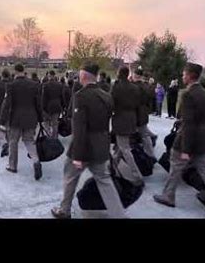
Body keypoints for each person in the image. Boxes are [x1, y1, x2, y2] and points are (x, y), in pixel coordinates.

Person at [51, 61, 127, 219]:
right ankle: (119, 215)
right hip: (101, 147)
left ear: (84, 76)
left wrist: (78, 155)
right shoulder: (106, 96)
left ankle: (64, 210)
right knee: (105, 181)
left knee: (70, 178)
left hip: (83, 148)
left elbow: (79, 128)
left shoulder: (81, 96)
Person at [153, 62, 205, 208]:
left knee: (175, 165)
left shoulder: (187, 94)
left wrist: (186, 149)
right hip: (203, 138)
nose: (182, 77)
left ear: (189, 76)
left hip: (187, 139)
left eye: (183, 74)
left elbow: (189, 123)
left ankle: (168, 196)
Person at [0, 64, 43, 180]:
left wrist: (2, 120)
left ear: (15, 71)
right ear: (24, 71)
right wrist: (40, 118)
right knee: (29, 141)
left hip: (15, 118)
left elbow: (7, 104)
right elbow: (38, 104)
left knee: (13, 142)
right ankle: (36, 161)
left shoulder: (11, 85)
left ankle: (13, 166)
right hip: (31, 117)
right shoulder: (34, 85)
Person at [111, 66, 144, 185]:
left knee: (124, 148)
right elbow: (138, 104)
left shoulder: (116, 87)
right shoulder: (135, 88)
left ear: (120, 74)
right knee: (121, 146)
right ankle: (111, 168)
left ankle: (137, 176)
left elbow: (112, 103)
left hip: (120, 119)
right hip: (132, 118)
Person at [132, 69, 155, 158]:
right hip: (143, 112)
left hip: (136, 112)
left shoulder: (134, 87)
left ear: (136, 75)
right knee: (144, 134)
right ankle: (150, 154)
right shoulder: (146, 86)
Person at [41, 70, 64, 139]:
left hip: (48, 106)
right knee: (55, 123)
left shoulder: (45, 85)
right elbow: (62, 97)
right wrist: (62, 106)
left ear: (49, 76)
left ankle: (49, 135)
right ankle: (55, 137)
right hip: (57, 105)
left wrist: (43, 107)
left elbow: (44, 98)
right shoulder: (59, 85)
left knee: (46, 122)